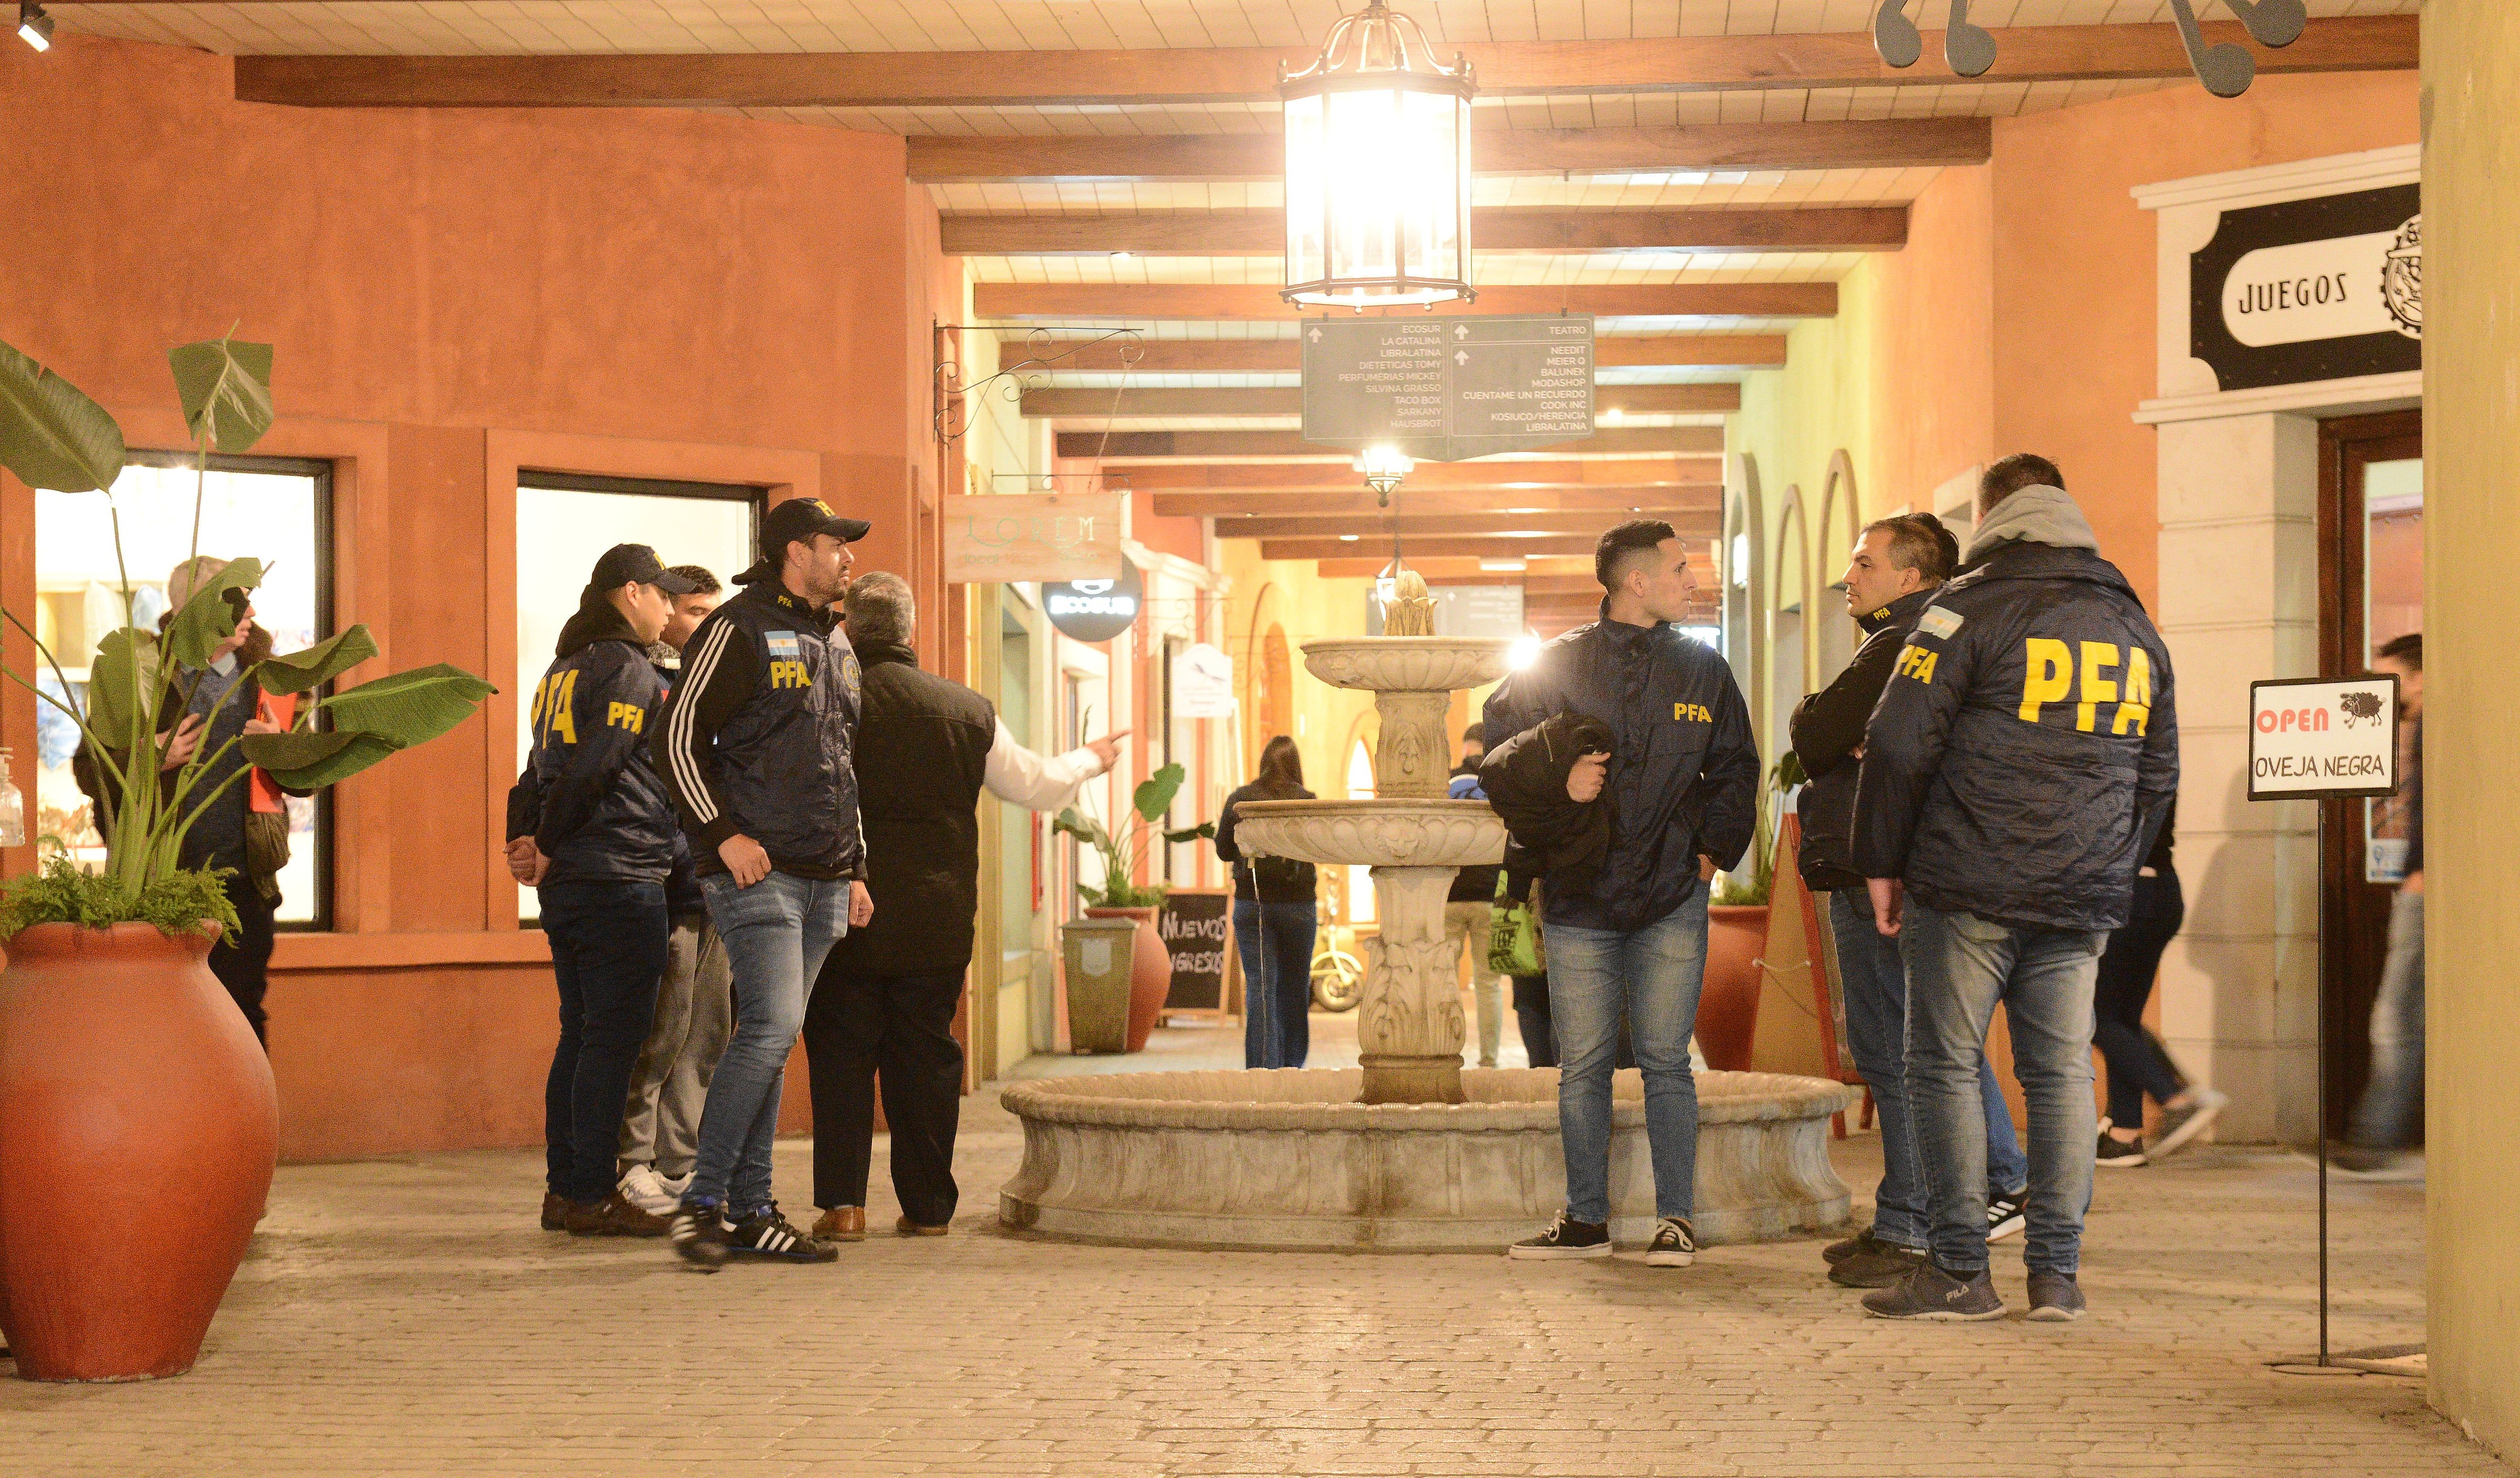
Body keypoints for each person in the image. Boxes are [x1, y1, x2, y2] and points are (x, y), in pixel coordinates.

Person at [1852, 455, 2178, 1324]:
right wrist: (2110, 861)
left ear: (1993, 515)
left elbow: (1895, 742)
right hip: (2081, 892)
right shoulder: (2131, 623)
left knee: (1945, 1064)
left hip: (1968, 878)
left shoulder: (1966, 609)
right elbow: (2159, 770)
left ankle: (1960, 1270)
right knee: (2063, 1074)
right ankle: (2057, 1277)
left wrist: (1881, 861)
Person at [801, 571, 1122, 1243]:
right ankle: (927, 1208)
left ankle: (844, 1206)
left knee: (841, 1056)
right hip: (937, 916)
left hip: (842, 911)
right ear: (911, 631)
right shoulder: (967, 710)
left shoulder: (822, 705)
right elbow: (1034, 784)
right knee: (926, 1058)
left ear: (849, 631)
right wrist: (1089, 761)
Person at [1481, 519, 1759, 1268]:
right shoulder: (1559, 663)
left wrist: (1709, 854)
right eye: (1680, 567)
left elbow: (1738, 767)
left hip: (1672, 894)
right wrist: (1560, 778)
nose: (1691, 579)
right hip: (1579, 895)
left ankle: (1676, 1221)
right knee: (1584, 1064)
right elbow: (1496, 752)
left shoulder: (1704, 668)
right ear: (1637, 581)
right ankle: (1586, 1222)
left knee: (1668, 1059)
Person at [1789, 514, 2033, 1290]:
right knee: (1914, 1045)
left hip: (1885, 873)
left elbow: (1818, 733)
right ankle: (1909, 1212)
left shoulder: (1905, 644)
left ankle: (1948, 1205)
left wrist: (1820, 719)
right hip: (1883, 869)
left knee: (1909, 1048)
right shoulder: (1909, 642)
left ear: (1912, 574)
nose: (1849, 576)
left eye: (1864, 562)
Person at [652, 497, 875, 1269]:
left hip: (822, 877)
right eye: (834, 542)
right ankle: (703, 1203)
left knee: (771, 1041)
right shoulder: (737, 627)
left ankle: (751, 1209)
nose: (847, 556)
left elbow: (842, 763)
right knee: (772, 1029)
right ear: (792, 551)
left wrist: (856, 867)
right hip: (759, 875)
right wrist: (723, 834)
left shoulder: (835, 643)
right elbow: (676, 740)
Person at [506, 544, 702, 1237]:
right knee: (611, 1044)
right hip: (620, 873)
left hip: (575, 882)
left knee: (581, 1035)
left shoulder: (562, 670)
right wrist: (548, 846)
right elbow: (597, 765)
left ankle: (567, 1189)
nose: (671, 610)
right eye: (662, 596)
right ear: (631, 593)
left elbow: (536, 771)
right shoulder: (627, 669)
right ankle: (589, 1192)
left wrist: (526, 840)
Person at [130, 558, 293, 1047]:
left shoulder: (272, 673)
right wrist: (147, 761)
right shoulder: (143, 669)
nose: (250, 611)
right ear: (192, 610)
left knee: (243, 1016)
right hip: (162, 880)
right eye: (234, 600)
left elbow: (309, 776)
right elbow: (90, 767)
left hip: (246, 881)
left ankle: (248, 1127)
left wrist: (280, 747)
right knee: (164, 1023)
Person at [611, 565, 733, 1217]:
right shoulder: (643, 683)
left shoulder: (720, 689)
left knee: (707, 1036)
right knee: (660, 1036)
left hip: (719, 891)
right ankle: (634, 1163)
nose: (705, 622)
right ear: (665, 612)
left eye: (715, 610)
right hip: (664, 887)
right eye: (693, 610)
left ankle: (681, 1167)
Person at [2091, 802, 2227, 1167]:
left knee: (2094, 1015)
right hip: (2161, 888)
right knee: (2121, 1018)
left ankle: (2177, 1098)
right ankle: (2125, 1133)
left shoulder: (2115, 748)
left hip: (2130, 891)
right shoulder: (2158, 747)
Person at [2338, 633, 2424, 1179]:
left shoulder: (2435, 727)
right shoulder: (2422, 729)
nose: (2380, 690)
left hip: (2422, 888)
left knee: (2395, 1016)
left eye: (2387, 676)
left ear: (2416, 676)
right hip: (2422, 883)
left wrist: (2418, 873)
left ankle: (2374, 1135)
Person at [1212, 735, 1319, 1070]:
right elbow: (1319, 848)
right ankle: (1292, 1068)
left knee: (1260, 990)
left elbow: (1223, 850)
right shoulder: (1307, 801)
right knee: (1295, 988)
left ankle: (1261, 1071)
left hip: (1254, 904)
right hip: (1299, 906)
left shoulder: (1241, 800)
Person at [1444, 736, 1506, 1068]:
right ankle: (1489, 1060)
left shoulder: (1449, 780)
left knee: (1447, 980)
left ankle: (1449, 1052)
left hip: (1450, 894)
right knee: (1489, 982)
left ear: (1467, 747)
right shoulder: (1501, 780)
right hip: (1491, 895)